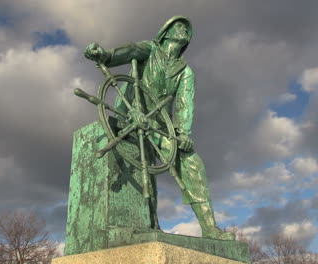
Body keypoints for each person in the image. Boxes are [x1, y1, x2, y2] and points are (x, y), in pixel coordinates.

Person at [84, 16, 234, 240]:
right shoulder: (150, 50)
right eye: (178, 25)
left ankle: (210, 228)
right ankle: (150, 225)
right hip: (132, 116)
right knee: (142, 167)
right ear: (165, 33)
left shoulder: (186, 72)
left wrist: (182, 133)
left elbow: (185, 104)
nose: (183, 29)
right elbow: (130, 50)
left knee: (193, 165)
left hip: (161, 125)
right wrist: (106, 55)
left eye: (186, 28)